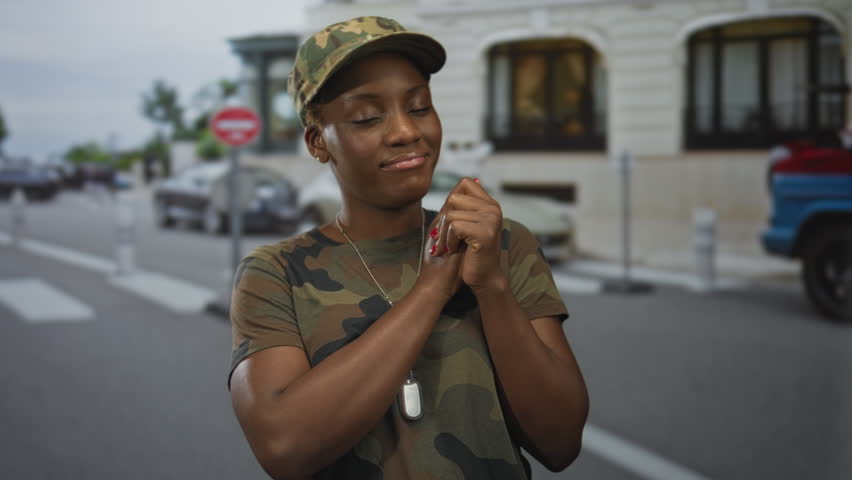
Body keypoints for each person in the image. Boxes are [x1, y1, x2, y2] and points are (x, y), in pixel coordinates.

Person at [227, 16, 589, 480]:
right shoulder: (275, 273)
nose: (405, 131)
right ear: (319, 143)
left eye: (419, 107)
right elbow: (283, 446)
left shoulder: (503, 245)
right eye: (367, 118)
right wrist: (431, 289)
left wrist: (493, 287)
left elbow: (561, 442)